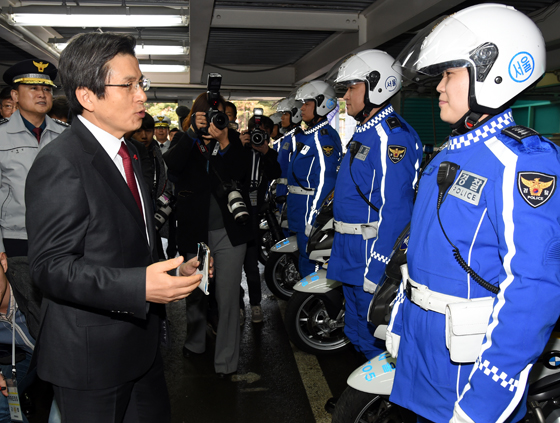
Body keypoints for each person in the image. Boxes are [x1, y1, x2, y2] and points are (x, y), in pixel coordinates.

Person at [385, 4, 560, 423]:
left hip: (469, 376)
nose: (439, 87)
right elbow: (421, 250)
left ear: (493, 71)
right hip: (421, 358)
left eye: (449, 74)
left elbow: (533, 290)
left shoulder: (522, 161)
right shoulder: (451, 150)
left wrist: (484, 402)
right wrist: (398, 322)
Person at [25, 32, 205, 422]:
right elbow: (50, 267)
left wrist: (169, 271)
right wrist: (140, 286)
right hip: (91, 360)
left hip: (140, 349)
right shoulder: (62, 162)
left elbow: (129, 241)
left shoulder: (127, 152)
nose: (142, 95)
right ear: (88, 96)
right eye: (128, 85)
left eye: (141, 83)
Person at [325, 49, 423, 359]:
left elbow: (396, 209)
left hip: (370, 254)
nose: (346, 95)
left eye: (352, 87)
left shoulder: (392, 137)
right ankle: (363, 404)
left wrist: (378, 269)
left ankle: (378, 406)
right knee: (355, 329)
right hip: (350, 248)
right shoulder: (366, 131)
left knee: (375, 336)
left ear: (377, 85)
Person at [163, 91, 252, 377]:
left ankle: (226, 362)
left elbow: (241, 172)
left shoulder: (232, 142)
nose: (214, 121)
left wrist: (225, 140)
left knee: (227, 298)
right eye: (208, 115)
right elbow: (172, 167)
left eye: (219, 116)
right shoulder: (184, 139)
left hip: (228, 233)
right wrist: (191, 134)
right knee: (197, 293)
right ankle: (195, 342)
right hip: (196, 231)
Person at [0, 59, 68, 260]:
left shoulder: (67, 136)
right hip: (15, 237)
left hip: (60, 237)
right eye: (33, 88)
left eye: (47, 90)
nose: (42, 94)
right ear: (15, 95)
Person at [288, 81, 342, 277]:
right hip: (299, 211)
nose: (302, 108)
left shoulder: (323, 136)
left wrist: (314, 219)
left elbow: (326, 181)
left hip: (309, 212)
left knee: (312, 268)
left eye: (307, 103)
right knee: (304, 261)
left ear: (321, 104)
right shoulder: (308, 135)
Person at [239, 114, 281, 323]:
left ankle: (255, 304)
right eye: (255, 133)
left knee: (252, 262)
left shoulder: (269, 153)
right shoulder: (239, 150)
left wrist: (265, 152)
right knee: (233, 263)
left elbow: (276, 172)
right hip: (235, 213)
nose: (258, 138)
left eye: (262, 134)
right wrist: (238, 146)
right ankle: (238, 304)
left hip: (255, 214)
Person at [274, 97, 302, 202]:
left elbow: (297, 167)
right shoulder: (287, 137)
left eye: (285, 114)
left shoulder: (296, 136)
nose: (281, 118)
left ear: (295, 114)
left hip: (288, 189)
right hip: (281, 188)